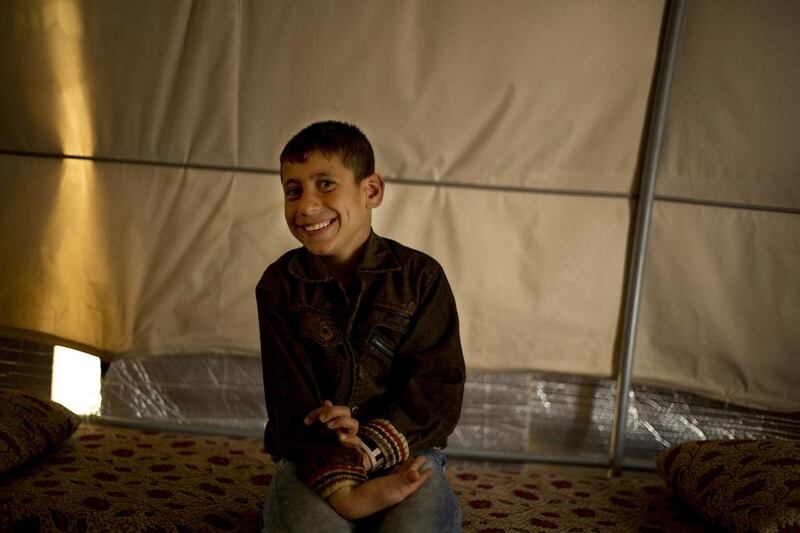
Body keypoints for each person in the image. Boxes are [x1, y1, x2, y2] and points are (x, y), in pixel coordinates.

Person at [257, 120, 465, 532]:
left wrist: (368, 448)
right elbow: (289, 398)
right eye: (293, 190)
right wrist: (339, 470)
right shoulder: (279, 286)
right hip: (313, 459)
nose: (306, 206)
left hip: (407, 453)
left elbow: (438, 388)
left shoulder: (421, 278)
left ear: (371, 191)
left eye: (326, 184)